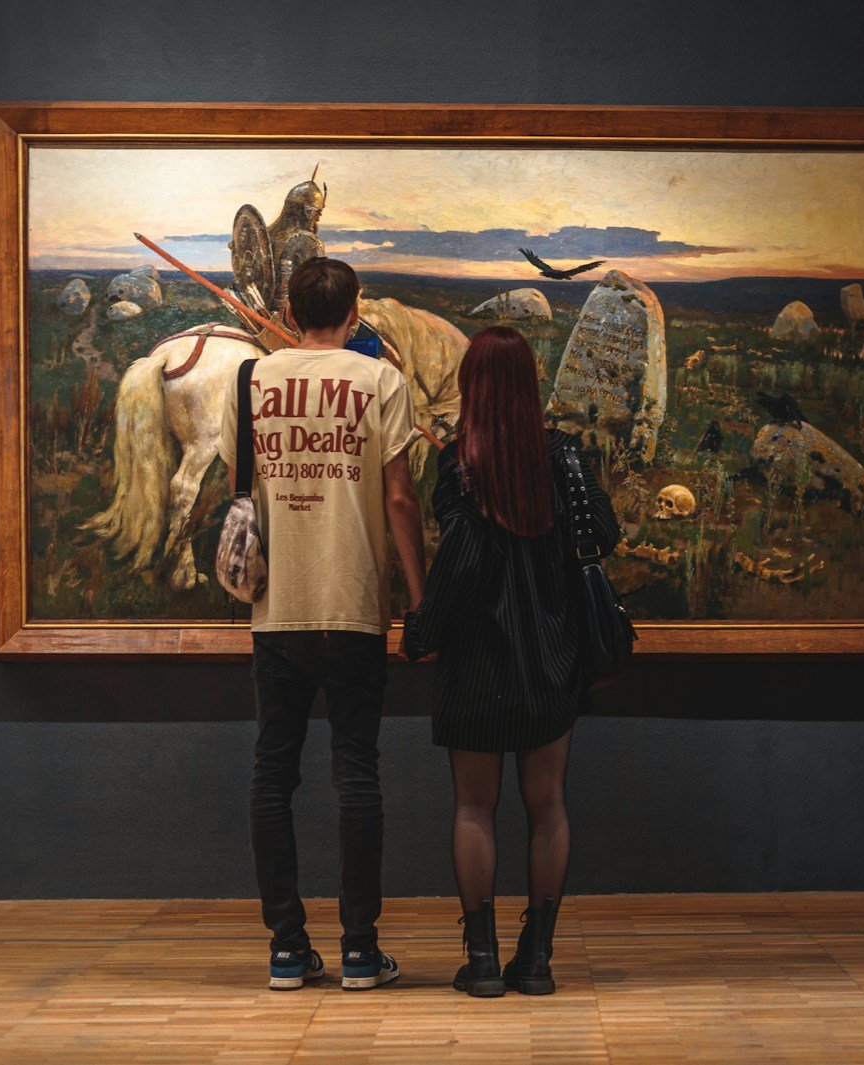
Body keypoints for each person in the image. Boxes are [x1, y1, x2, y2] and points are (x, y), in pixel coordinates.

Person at [216, 257, 428, 992]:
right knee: (355, 773)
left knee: (273, 771)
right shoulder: (380, 381)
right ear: (357, 306)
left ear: (288, 303)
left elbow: (240, 477)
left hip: (276, 609)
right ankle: (361, 953)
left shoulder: (250, 379)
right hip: (354, 603)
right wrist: (419, 595)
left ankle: (285, 947)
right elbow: (400, 499)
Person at [401, 325, 620, 998]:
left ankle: (484, 958)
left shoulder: (460, 462)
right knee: (548, 805)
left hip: (478, 663)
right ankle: (539, 958)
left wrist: (420, 630)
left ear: (472, 384)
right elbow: (604, 535)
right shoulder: (565, 458)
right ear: (530, 384)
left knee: (474, 806)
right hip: (554, 655)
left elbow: (462, 566)